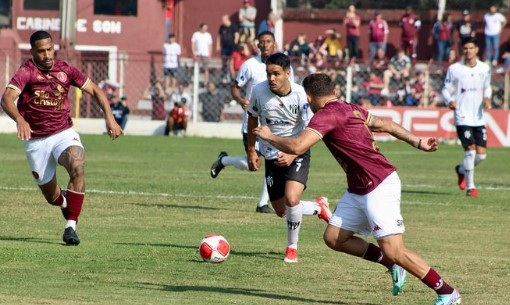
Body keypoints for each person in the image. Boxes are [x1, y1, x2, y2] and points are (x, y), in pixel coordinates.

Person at [254, 72, 462, 305]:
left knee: (394, 248)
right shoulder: (349, 107)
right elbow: (385, 124)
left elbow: (298, 145)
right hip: (359, 188)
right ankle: (390, 264)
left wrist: (269, 136)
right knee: (334, 238)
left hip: (379, 184)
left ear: (310, 97)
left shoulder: (325, 115)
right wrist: (418, 141)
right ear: (333, 92)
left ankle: (447, 292)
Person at [0, 30, 123, 245]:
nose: (47, 55)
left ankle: (71, 227)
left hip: (63, 133)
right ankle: (66, 202)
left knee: (77, 165)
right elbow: (7, 99)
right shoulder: (26, 72)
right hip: (36, 141)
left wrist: (109, 118)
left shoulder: (65, 69)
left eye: (50, 50)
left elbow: (94, 90)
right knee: (53, 198)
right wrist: (20, 119)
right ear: (33, 52)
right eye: (41, 51)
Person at [247, 53, 331, 263]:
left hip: (297, 151)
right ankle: (318, 207)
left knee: (292, 199)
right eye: (268, 74)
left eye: (276, 74)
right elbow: (252, 118)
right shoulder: (259, 91)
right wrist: (251, 149)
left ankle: (291, 248)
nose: (271, 78)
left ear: (287, 73)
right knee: (281, 210)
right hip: (270, 154)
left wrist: (293, 153)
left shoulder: (301, 95)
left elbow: (311, 128)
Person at [210, 31, 281, 214]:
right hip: (253, 121)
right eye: (262, 42)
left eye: (268, 41)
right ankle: (224, 160)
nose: (265, 45)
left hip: (276, 122)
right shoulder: (249, 65)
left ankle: (262, 204)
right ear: (257, 45)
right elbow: (235, 87)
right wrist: (242, 100)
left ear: (275, 43)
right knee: (254, 164)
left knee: (273, 162)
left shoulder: (283, 64)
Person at [442, 37, 492, 198]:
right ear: (462, 50)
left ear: (476, 50)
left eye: (471, 48)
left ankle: (461, 170)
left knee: (481, 155)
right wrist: (450, 100)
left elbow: (487, 87)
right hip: (462, 116)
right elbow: (445, 89)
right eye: (465, 48)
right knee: (470, 152)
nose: (468, 51)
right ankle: (471, 187)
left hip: (478, 117)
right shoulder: (455, 69)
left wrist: (487, 98)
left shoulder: (484, 68)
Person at [217, 15, 239, 84]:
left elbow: (237, 35)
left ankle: (233, 78)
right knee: (224, 62)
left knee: (230, 63)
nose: (222, 22)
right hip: (224, 47)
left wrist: (234, 44)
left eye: (223, 20)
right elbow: (219, 36)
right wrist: (218, 45)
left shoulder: (233, 26)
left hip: (231, 47)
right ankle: (225, 76)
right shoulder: (222, 27)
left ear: (227, 20)